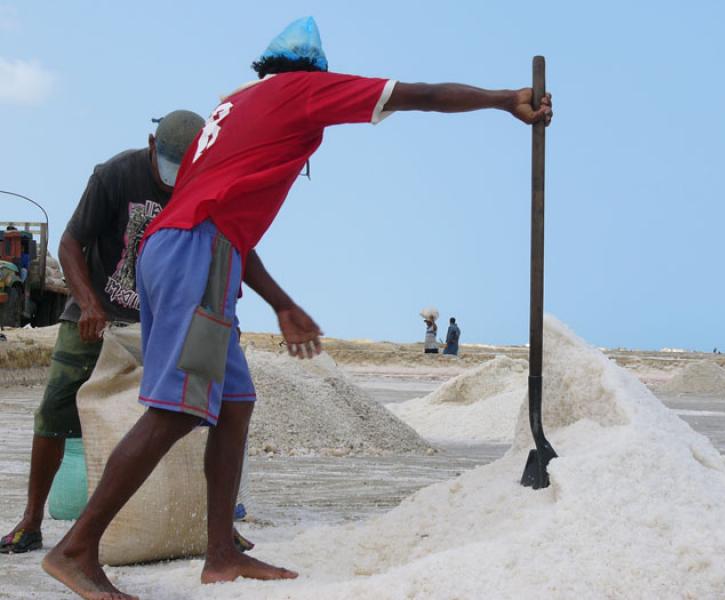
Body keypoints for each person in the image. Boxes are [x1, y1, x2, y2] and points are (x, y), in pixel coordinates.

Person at [42, 16, 553, 599]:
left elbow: (228, 223)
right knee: (178, 410)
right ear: (313, 72)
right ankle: (76, 549)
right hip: (194, 252)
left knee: (234, 406)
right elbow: (420, 96)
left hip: (195, 248)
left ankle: (221, 554)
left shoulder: (236, 109)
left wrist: (284, 304)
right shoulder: (300, 90)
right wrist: (504, 100)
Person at [0, 110, 204, 555]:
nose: (175, 177)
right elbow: (71, 242)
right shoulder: (114, 175)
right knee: (54, 412)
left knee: (192, 416)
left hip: (162, 322)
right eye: (169, 163)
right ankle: (31, 521)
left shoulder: (204, 182)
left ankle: (208, 520)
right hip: (95, 314)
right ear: (152, 144)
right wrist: (89, 303)